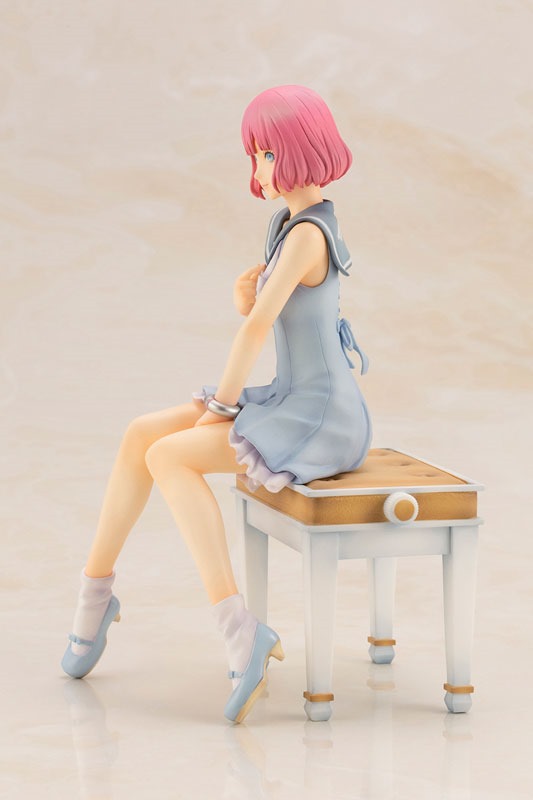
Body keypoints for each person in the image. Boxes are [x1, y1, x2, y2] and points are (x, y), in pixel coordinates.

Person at [61, 84, 372, 724]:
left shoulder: (308, 235)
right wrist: (247, 297)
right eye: (254, 154)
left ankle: (239, 629)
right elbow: (272, 314)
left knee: (170, 456)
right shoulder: (286, 226)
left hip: (320, 416)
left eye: (266, 153)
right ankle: (96, 593)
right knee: (140, 434)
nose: (257, 167)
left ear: (298, 150)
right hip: (291, 395)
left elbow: (257, 332)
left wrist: (223, 408)